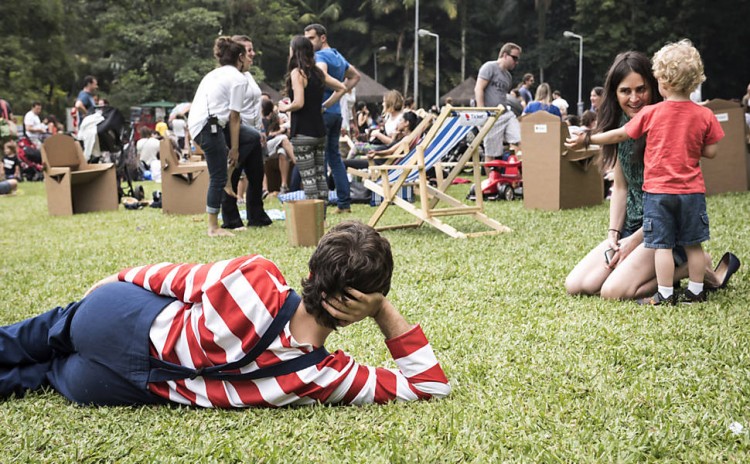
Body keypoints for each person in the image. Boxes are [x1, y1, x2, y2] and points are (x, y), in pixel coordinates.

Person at [0, 221, 451, 407]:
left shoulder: (256, 276)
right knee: (34, 376)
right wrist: (382, 309)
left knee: (24, 339)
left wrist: (116, 278)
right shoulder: (322, 377)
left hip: (112, 316)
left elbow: (176, 279)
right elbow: (430, 386)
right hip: (108, 385)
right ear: (359, 307)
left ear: (311, 272)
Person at [563, 50, 739, 301]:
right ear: (614, 92)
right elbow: (621, 188)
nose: (634, 98)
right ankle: (684, 267)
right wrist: (614, 232)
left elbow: (671, 192)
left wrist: (635, 241)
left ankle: (689, 267)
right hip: (632, 227)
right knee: (578, 284)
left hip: (663, 230)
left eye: (641, 89)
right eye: (626, 91)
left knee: (612, 292)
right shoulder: (625, 128)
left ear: (658, 85)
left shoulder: (667, 124)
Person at [187, 37, 249, 237]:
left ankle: (229, 181)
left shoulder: (213, 74)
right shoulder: (239, 78)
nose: (249, 59)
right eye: (247, 56)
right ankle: (213, 227)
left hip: (197, 124)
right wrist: (235, 148)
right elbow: (235, 116)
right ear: (240, 57)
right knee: (218, 176)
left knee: (223, 166)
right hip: (209, 126)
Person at [278, 35, 346, 204]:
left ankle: (312, 223)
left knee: (309, 180)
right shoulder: (318, 72)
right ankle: (320, 220)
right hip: (319, 132)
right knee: (320, 178)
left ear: (295, 51)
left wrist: (285, 107)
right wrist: (324, 106)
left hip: (302, 132)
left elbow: (299, 102)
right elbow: (342, 87)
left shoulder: (298, 72)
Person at [304, 24, 361, 214]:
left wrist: (325, 102)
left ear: (322, 38)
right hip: (337, 114)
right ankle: (344, 203)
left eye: (311, 38)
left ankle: (321, 205)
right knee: (335, 159)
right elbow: (355, 76)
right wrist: (340, 92)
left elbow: (321, 75)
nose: (308, 43)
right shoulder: (337, 55)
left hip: (324, 113)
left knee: (319, 160)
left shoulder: (320, 57)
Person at [220, 35, 272, 230]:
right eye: (248, 51)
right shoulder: (231, 77)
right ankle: (231, 218)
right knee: (233, 175)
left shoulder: (248, 75)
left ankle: (256, 214)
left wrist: (260, 129)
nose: (253, 54)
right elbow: (233, 111)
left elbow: (255, 104)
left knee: (257, 174)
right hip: (238, 133)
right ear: (239, 55)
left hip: (254, 133)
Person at [474, 43, 523, 157]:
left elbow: (501, 95)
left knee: (519, 140)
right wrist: (482, 112)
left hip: (506, 114)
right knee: (491, 153)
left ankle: (520, 171)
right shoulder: (489, 67)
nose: (516, 62)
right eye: (514, 58)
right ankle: (491, 175)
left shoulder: (508, 76)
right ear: (505, 55)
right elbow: (479, 88)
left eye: (518, 59)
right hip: (491, 116)